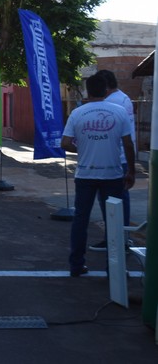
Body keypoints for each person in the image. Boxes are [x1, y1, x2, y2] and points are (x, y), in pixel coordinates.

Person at [60, 74, 135, 277]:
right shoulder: (119, 111)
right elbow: (128, 144)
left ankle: (76, 265)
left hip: (85, 174)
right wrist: (131, 171)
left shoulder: (78, 113)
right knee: (114, 222)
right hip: (112, 175)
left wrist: (82, 149)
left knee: (80, 220)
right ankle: (115, 269)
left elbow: (65, 143)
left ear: (88, 91)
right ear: (106, 90)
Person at [88, 69, 137, 251]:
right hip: (122, 157)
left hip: (114, 158)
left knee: (111, 201)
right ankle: (120, 238)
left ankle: (115, 240)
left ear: (105, 85)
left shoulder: (111, 103)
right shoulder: (123, 98)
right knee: (119, 200)